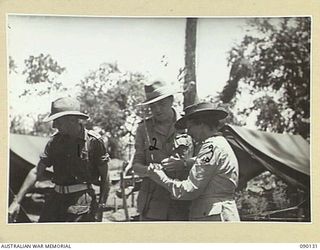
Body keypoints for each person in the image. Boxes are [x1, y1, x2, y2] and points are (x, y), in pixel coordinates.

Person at [8, 97, 109, 223]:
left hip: (81, 202)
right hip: (55, 200)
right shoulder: (55, 141)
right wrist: (16, 202)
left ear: (72, 120)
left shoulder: (94, 142)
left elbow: (105, 177)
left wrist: (101, 205)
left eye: (57, 121)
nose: (54, 125)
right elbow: (36, 172)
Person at [147, 102, 240, 221]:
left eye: (190, 127)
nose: (189, 133)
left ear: (201, 124)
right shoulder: (220, 144)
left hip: (213, 217)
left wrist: (160, 178)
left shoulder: (210, 147)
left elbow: (190, 190)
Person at [133, 79, 194, 221]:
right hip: (153, 206)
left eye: (161, 104)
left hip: (184, 203)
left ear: (171, 100)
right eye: (152, 106)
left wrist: (184, 164)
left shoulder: (190, 124)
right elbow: (136, 165)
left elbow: (205, 159)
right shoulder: (144, 129)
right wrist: (149, 170)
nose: (157, 110)